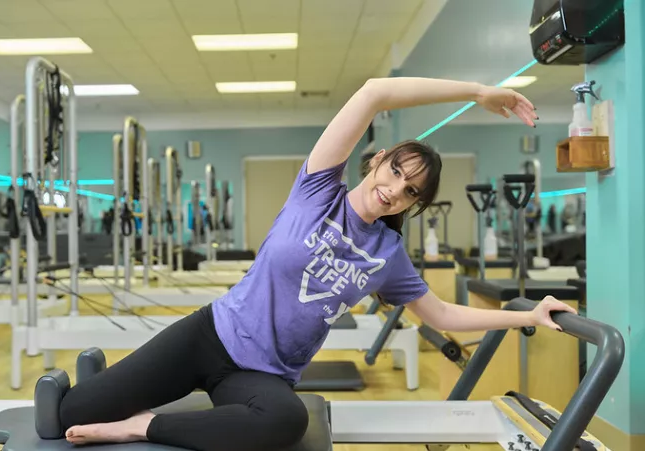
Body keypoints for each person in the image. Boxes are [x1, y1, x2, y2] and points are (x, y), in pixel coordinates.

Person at [58, 77, 576, 451]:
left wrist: (526, 316)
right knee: (65, 416)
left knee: (283, 422)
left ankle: (140, 426)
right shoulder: (318, 189)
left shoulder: (387, 256)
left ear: (414, 204)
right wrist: (477, 92)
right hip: (208, 337)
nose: (393, 190)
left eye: (409, 191)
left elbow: (441, 315)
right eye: (394, 171)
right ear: (377, 160)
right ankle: (102, 380)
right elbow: (373, 92)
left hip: (262, 375)